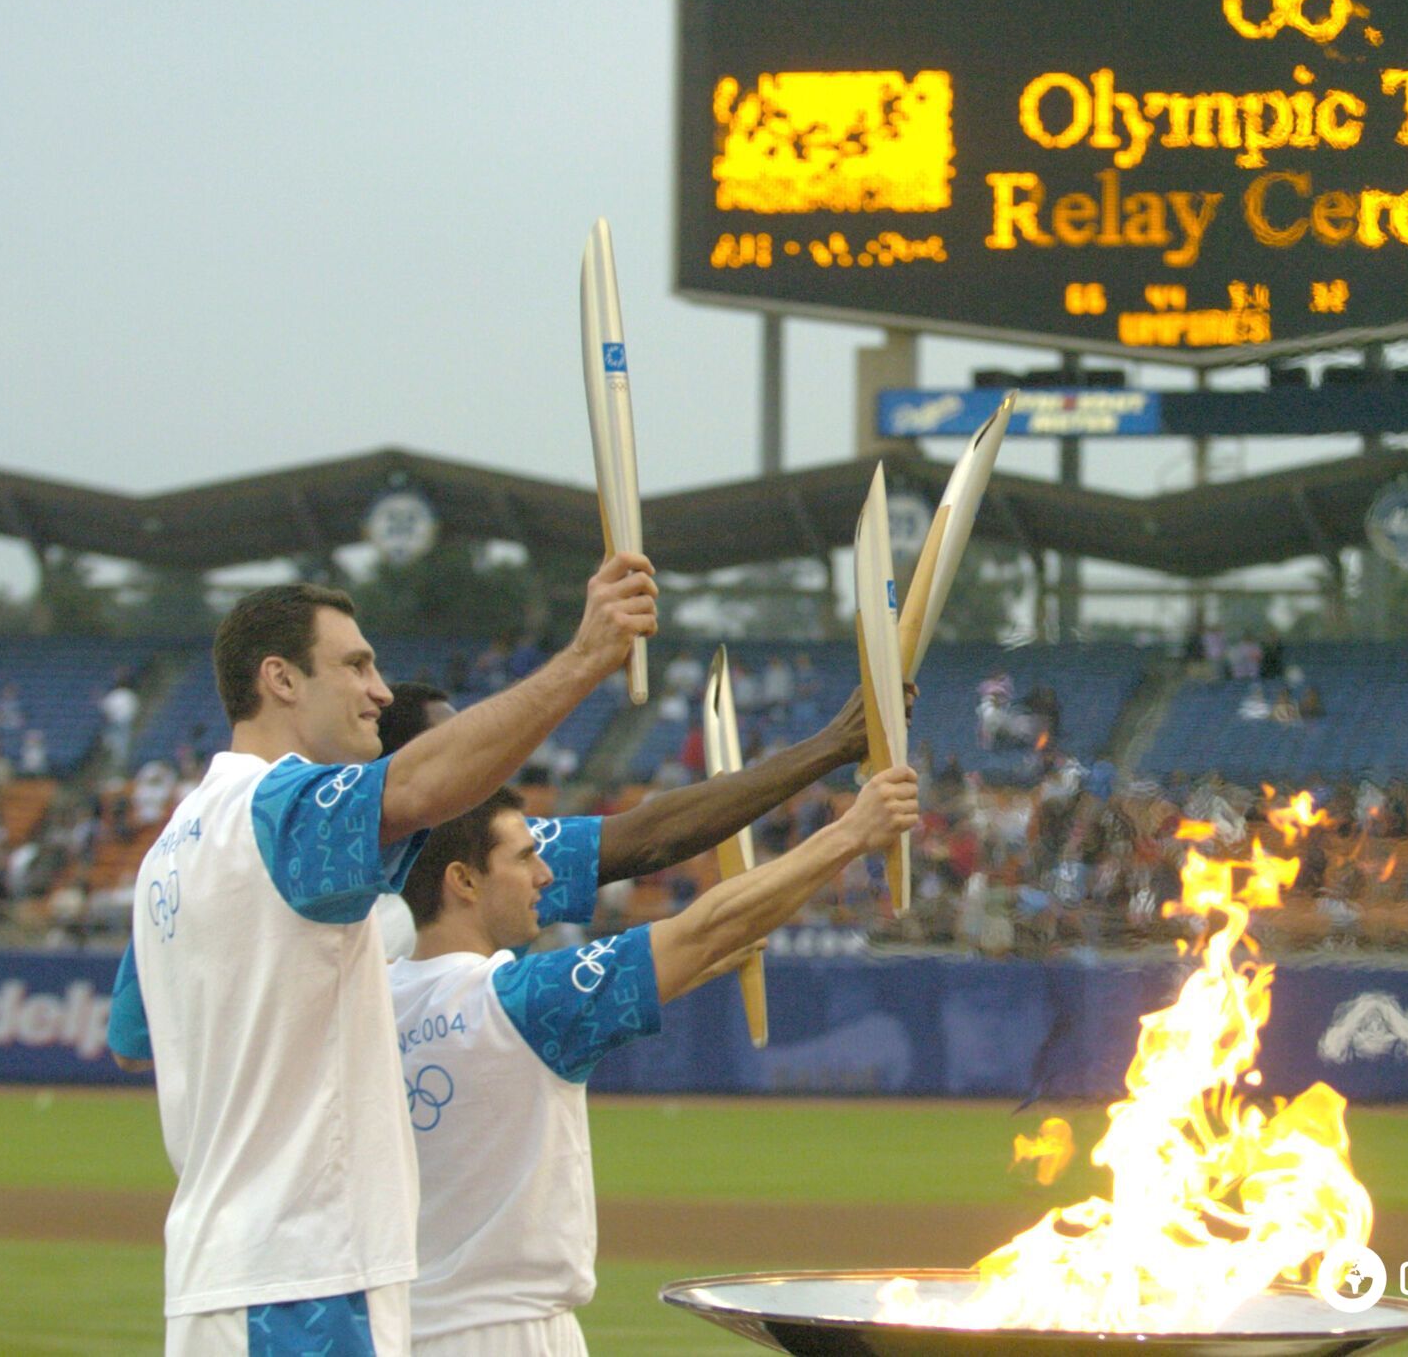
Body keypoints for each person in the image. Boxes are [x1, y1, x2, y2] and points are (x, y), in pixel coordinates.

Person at [105, 556, 656, 1355]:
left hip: (222, 1277)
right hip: (302, 1281)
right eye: (356, 665)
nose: (381, 691)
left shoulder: (172, 847)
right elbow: (422, 788)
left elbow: (132, 1044)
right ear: (281, 680)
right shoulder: (278, 810)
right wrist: (585, 659)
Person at [391, 770, 917, 1355]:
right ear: (463, 880)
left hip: (398, 1327)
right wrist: (851, 834)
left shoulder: (371, 1000)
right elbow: (707, 927)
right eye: (525, 859)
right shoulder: (520, 1001)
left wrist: (691, 961)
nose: (545, 875)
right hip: (505, 1334)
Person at [370, 676, 897, 963]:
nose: (477, 758)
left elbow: (654, 840)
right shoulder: (349, 889)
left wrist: (701, 959)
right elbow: (651, 839)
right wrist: (830, 754)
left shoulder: (482, 853)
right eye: (451, 747)